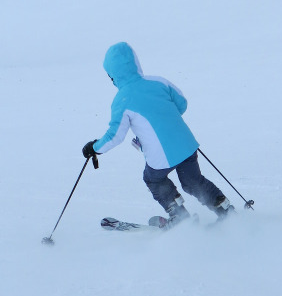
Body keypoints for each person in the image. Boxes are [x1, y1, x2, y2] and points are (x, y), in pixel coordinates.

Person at [82, 42, 234, 227]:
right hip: (186, 144)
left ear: (113, 76)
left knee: (153, 178)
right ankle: (225, 209)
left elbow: (115, 136)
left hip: (161, 156)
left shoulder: (122, 100)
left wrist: (95, 147)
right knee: (192, 181)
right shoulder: (158, 81)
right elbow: (182, 104)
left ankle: (180, 216)